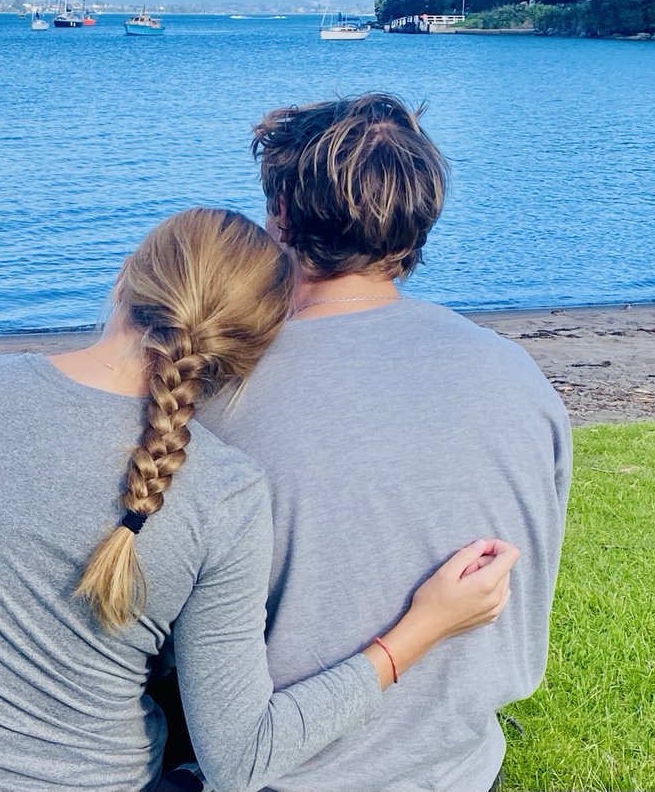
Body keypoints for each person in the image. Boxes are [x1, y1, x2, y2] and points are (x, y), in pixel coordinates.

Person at [0, 207, 519, 792]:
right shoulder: (222, 491)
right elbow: (239, 760)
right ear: (247, 352)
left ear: (127, 273)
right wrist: (419, 629)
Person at [197, 94, 571, 791]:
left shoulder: (219, 397)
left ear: (280, 215)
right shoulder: (517, 376)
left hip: (280, 769)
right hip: (460, 767)